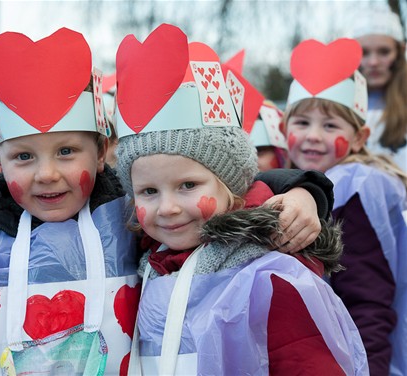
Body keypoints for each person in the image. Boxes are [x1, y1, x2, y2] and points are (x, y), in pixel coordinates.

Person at [0, 27, 336, 375]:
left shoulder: (131, 211)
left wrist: (304, 191)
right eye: (23, 157)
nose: (47, 174)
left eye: (67, 151)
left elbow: (227, 184)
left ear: (102, 153)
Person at [114, 25, 368, 375]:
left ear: (231, 184)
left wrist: (306, 190)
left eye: (188, 184)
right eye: (149, 192)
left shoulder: (269, 277)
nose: (167, 207)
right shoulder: (150, 258)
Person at [284, 37, 407, 375]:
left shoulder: (354, 189)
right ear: (284, 129)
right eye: (302, 123)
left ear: (358, 138)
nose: (312, 136)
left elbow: (368, 300)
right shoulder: (293, 183)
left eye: (330, 126)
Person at [351, 7, 407, 171]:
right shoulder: (336, 103)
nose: (373, 62)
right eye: (364, 53)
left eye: (384, 51)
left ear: (400, 52)